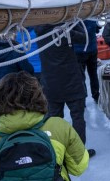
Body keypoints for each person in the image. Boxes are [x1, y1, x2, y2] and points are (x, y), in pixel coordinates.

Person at [33, 23, 93, 156]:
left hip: (51, 83)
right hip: (71, 81)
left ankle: (57, 153)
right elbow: (84, 37)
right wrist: (72, 23)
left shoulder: (39, 30)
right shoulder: (66, 29)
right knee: (77, 117)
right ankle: (78, 153)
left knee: (54, 120)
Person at [74, 19, 101, 102]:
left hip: (79, 51)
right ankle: (96, 95)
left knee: (81, 76)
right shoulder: (92, 18)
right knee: (93, 74)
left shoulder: (74, 20)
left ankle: (83, 99)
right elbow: (97, 29)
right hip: (92, 49)